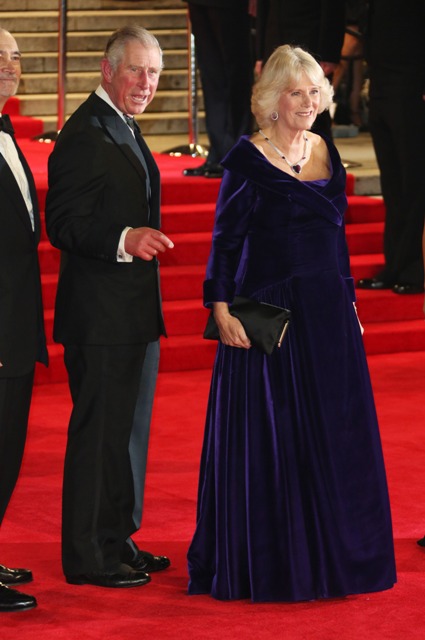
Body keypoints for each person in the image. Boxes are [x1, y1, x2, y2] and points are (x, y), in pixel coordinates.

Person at [187, 44, 396, 602]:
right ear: (272, 100)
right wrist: (220, 307)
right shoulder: (247, 160)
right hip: (272, 316)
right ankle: (281, 561)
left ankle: (338, 555)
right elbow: (225, 242)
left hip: (327, 312)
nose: (307, 102)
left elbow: (337, 240)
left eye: (314, 92)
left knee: (335, 435)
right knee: (276, 440)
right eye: (296, 92)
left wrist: (350, 304)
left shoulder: (325, 149)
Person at [45, 26, 174, 588]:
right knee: (99, 437)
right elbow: (62, 224)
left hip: (131, 315)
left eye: (154, 72)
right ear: (107, 69)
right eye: (136, 70)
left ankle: (116, 539)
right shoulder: (85, 133)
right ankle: (88, 555)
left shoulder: (120, 124)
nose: (146, 82)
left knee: (124, 437)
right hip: (99, 318)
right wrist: (125, 238)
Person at [0, 28, 48, 612]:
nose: (10, 66)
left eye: (15, 57)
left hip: (15, 324)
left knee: (8, 447)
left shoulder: (7, 131)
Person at [357, 0, 425, 294]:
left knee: (413, 181)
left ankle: (414, 267)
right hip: (381, 81)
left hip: (411, 83)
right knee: (392, 183)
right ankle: (394, 264)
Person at [182, 0, 253, 178]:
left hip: (232, 5)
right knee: (210, 75)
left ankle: (236, 153)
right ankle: (217, 153)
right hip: (199, 3)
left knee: (236, 74)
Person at [254, 0, 346, 138]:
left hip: (312, 41)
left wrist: (330, 53)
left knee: (314, 112)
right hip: (273, 39)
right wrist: (260, 54)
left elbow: (333, 7)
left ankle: (320, 152)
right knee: (274, 108)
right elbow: (263, 6)